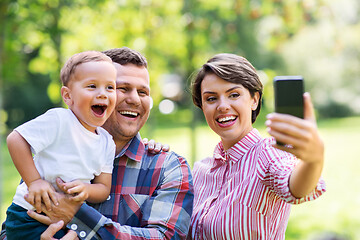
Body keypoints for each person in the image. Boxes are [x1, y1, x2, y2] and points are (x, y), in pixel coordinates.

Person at [2, 47, 194, 240]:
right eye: (123, 88)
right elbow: (11, 228)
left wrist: (78, 217)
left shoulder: (167, 168)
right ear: (69, 95)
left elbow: (166, 237)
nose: (135, 99)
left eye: (143, 92)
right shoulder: (55, 146)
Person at [188, 53, 326, 239]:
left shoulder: (269, 154)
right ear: (202, 106)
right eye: (211, 99)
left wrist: (313, 160)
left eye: (234, 95)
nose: (222, 106)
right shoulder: (200, 170)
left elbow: (296, 188)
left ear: (254, 99)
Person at [4, 51, 118, 239]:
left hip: (68, 218)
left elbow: (103, 188)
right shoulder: (60, 120)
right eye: (92, 86)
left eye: (110, 87)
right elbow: (16, 139)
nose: (103, 94)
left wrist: (86, 189)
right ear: (67, 95)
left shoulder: (106, 142)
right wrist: (34, 181)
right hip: (30, 213)